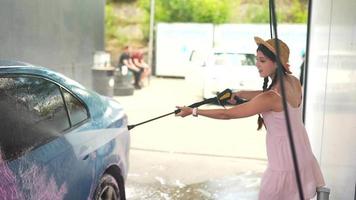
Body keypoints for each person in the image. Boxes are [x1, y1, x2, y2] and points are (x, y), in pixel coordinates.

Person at [176, 36, 325, 200]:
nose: (257, 64)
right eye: (257, 59)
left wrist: (193, 111)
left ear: (276, 63)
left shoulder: (271, 97)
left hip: (284, 161)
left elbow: (227, 114)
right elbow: (267, 96)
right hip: (301, 153)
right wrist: (239, 94)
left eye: (262, 60)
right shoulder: (294, 82)